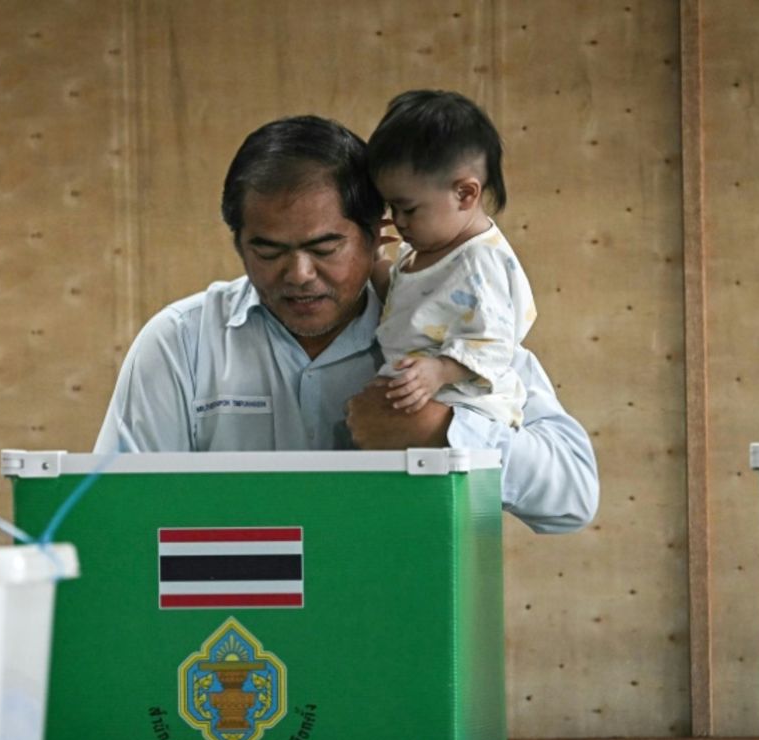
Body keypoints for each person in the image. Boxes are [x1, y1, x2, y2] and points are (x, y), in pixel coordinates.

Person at [94, 115, 598, 533]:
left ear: (379, 232)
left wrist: (440, 431)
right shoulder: (181, 343)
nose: (299, 275)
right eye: (267, 250)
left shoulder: (455, 324)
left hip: (396, 621)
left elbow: (572, 495)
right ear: (238, 241)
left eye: (324, 248)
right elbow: (115, 515)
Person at [365, 89, 534, 428]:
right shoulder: (423, 250)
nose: (398, 220)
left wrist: (440, 370)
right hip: (423, 397)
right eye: (391, 208)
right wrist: (375, 260)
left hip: (469, 411)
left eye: (408, 208)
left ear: (465, 194)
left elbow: (494, 345)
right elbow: (404, 306)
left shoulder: (478, 263)